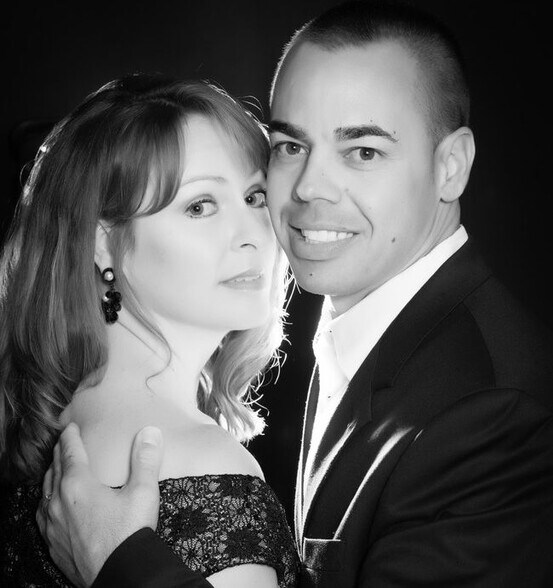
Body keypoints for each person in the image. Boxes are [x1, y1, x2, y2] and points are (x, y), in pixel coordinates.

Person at [36, 0, 553, 586]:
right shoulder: (360, 330)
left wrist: (119, 562)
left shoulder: (494, 413)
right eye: (290, 146)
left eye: (363, 152)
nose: (309, 188)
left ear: (451, 166)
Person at [0, 73, 300, 587]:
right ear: (102, 243)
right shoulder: (204, 463)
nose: (253, 234)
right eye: (200, 206)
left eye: (254, 196)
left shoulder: (52, 429)